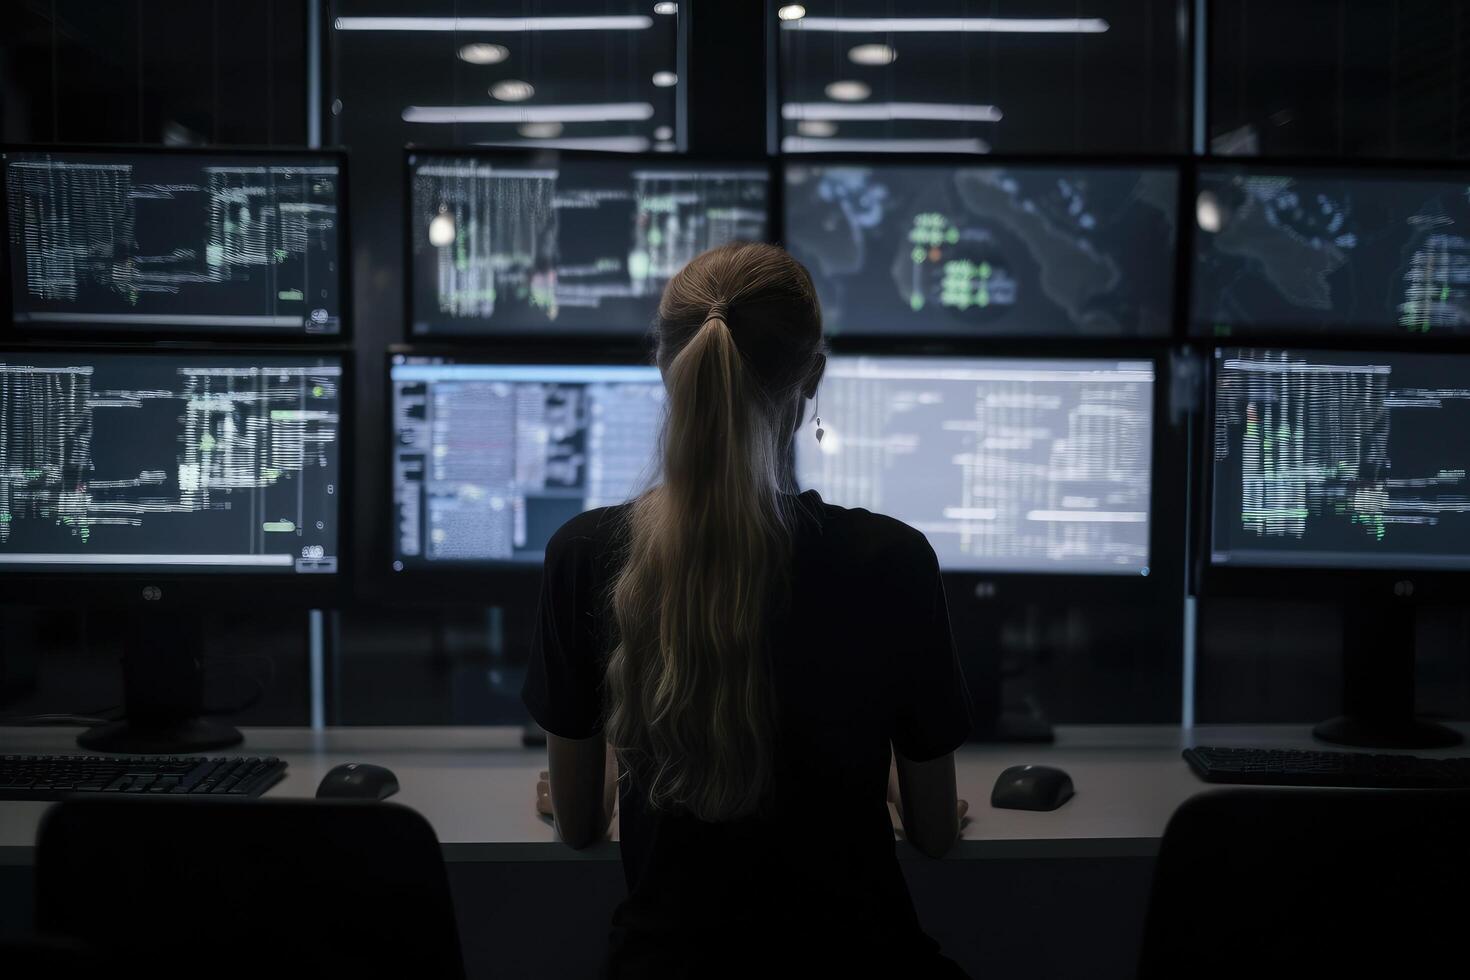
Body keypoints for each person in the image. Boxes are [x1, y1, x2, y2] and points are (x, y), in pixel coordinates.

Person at [523, 241, 973, 978]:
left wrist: (610, 770)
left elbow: (578, 828)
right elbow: (932, 834)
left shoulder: (584, 555)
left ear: (667, 370)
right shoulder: (891, 561)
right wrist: (875, 769)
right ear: (812, 377)